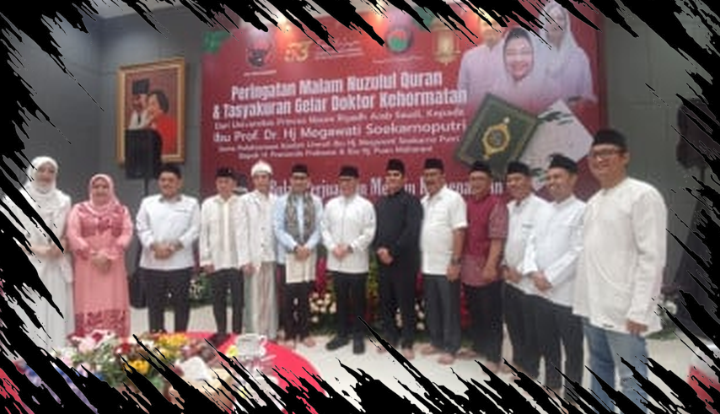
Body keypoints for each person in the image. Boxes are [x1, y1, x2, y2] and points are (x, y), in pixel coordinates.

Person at [574, 129, 667, 413]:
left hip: (625, 310)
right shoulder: (594, 202)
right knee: (599, 369)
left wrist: (640, 309)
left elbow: (653, 258)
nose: (599, 159)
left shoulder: (642, 195)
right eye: (594, 154)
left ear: (625, 157)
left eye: (607, 153)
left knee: (631, 378)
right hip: (593, 307)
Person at [522, 154, 585, 398]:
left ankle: (572, 395)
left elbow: (578, 251)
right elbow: (531, 243)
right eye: (548, 178)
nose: (552, 182)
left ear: (573, 179)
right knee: (548, 342)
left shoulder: (582, 210)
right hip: (540, 290)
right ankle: (552, 383)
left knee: (572, 347)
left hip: (566, 293)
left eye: (557, 176)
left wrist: (549, 277)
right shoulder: (542, 210)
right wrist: (533, 271)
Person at [2, 156, 73, 350]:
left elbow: (71, 230)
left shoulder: (64, 200)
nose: (46, 175)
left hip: (55, 264)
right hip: (25, 263)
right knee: (29, 309)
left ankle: (57, 354)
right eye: (41, 170)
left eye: (51, 171)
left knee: (55, 307)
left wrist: (63, 243)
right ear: (32, 172)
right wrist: (34, 248)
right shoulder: (14, 200)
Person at [501, 160, 553, 378]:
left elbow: (539, 244)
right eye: (510, 180)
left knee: (531, 328)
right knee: (514, 325)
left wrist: (521, 270)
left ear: (529, 181)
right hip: (509, 278)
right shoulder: (508, 208)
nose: (513, 184)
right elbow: (503, 241)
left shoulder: (542, 208)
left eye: (518, 179)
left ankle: (530, 370)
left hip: (530, 281)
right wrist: (505, 266)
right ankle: (519, 362)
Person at [136, 163, 200, 333]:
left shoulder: (191, 203)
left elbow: (194, 230)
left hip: (180, 263)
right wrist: (154, 246)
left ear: (179, 182)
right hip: (152, 263)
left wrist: (172, 248)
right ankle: (157, 341)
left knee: (181, 306)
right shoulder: (147, 202)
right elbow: (141, 228)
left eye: (171, 180)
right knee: (155, 307)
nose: (166, 183)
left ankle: (180, 340)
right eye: (163, 180)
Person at [66, 174, 133, 338]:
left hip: (113, 266)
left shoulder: (121, 210)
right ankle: (88, 345)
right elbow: (72, 233)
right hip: (88, 266)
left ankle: (115, 344)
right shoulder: (79, 209)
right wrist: (93, 255)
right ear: (90, 189)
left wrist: (109, 255)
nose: (100, 190)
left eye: (104, 187)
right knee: (89, 302)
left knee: (114, 299)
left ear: (111, 189)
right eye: (96, 187)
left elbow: (127, 233)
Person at [457, 161, 508, 373]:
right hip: (469, 267)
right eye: (473, 179)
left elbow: (497, 238)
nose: (476, 183)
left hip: (487, 267)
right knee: (475, 311)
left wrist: (491, 265)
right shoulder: (467, 204)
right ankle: (478, 347)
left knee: (491, 314)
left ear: (490, 182)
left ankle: (494, 356)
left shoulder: (496, 204)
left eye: (480, 179)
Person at [322, 166, 377, 354]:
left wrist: (350, 247)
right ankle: (342, 335)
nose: (345, 184)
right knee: (341, 300)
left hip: (356, 262)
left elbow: (369, 232)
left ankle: (358, 336)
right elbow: (324, 229)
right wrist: (332, 247)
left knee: (359, 301)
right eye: (342, 180)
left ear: (357, 182)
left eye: (349, 180)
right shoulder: (331, 205)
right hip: (336, 261)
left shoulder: (365, 205)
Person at [373, 159, 423, 360]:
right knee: (386, 303)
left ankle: (408, 342)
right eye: (389, 175)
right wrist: (379, 249)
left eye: (396, 175)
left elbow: (411, 231)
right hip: (383, 262)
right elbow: (374, 230)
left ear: (404, 179)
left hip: (404, 262)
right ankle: (390, 337)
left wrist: (392, 252)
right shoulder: (380, 203)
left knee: (406, 303)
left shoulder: (412, 202)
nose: (392, 178)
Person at [419, 158, 467, 365]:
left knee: (450, 309)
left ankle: (451, 347)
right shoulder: (423, 202)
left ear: (443, 177)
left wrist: (455, 262)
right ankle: (436, 341)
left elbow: (459, 231)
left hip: (447, 265)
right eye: (426, 175)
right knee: (432, 308)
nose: (429, 179)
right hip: (428, 265)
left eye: (433, 175)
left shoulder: (453, 199)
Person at [273, 164, 323, 349]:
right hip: (288, 256)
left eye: (303, 178)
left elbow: (320, 228)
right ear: (290, 180)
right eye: (296, 178)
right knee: (287, 297)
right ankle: (289, 334)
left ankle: (305, 333)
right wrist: (295, 246)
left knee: (304, 296)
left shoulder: (316, 201)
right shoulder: (281, 202)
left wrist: (307, 247)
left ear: (308, 181)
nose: (299, 181)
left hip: (307, 255)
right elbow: (278, 228)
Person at [200, 167, 243, 344]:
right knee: (218, 300)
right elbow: (203, 233)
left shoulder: (242, 203)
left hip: (237, 262)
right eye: (220, 182)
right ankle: (221, 333)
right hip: (216, 262)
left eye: (227, 181)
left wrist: (246, 259)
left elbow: (246, 233)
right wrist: (205, 259)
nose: (223, 185)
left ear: (234, 184)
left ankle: (237, 335)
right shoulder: (208, 204)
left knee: (238, 301)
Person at [237, 161, 279, 340]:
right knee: (254, 299)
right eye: (258, 177)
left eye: (265, 177)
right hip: (253, 258)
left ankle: (271, 333)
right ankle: (254, 335)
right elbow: (241, 231)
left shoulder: (277, 200)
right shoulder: (245, 201)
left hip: (271, 256)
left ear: (270, 179)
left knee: (270, 298)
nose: (261, 181)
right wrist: (244, 259)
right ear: (253, 180)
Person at [489, 27, 560, 114]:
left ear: (535, 55)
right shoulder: (496, 89)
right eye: (511, 53)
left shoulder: (550, 89)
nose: (518, 59)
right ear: (502, 57)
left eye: (525, 52)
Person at [539, 1, 596, 107]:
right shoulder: (534, 56)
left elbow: (587, 96)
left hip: (573, 114)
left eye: (560, 18)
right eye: (550, 19)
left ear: (566, 23)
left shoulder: (579, 57)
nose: (555, 23)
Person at [457, 13, 506, 109]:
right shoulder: (469, 57)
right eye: (486, 24)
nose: (490, 28)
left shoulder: (516, 54)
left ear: (503, 27)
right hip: (476, 115)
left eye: (495, 23)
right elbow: (461, 92)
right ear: (480, 28)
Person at [147, 89, 178, 156]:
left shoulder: (172, 125)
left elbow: (166, 151)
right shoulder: (148, 125)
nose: (149, 109)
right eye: (148, 105)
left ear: (162, 107)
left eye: (153, 104)